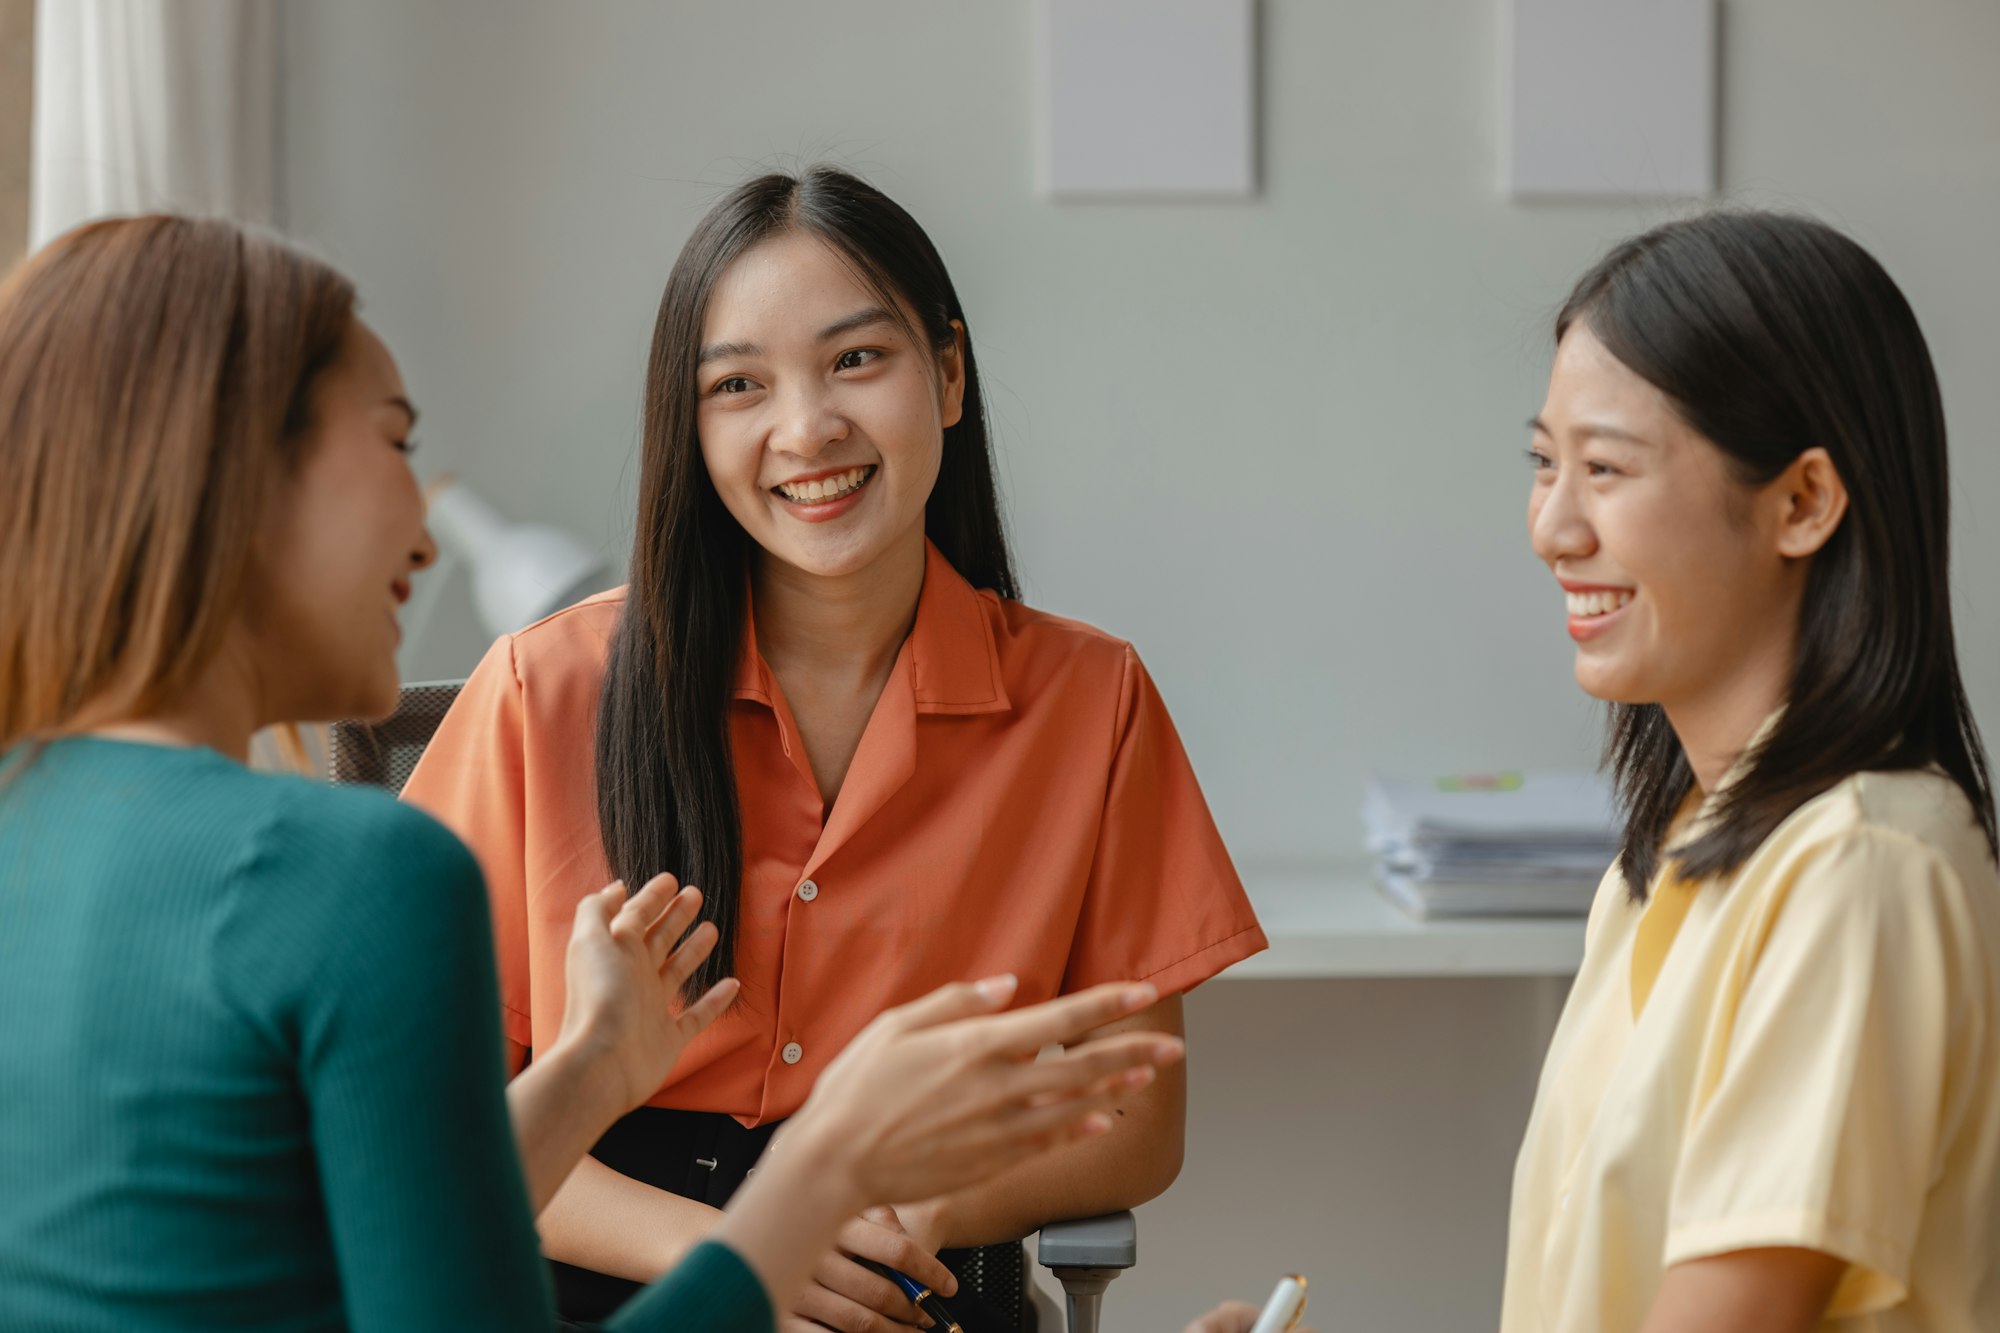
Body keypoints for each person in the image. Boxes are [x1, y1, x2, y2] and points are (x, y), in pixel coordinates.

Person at [0, 213, 1186, 1332]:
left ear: (949, 376)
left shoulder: (40, 825)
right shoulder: (368, 867)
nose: (429, 531)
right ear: (233, 489)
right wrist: (818, 1180)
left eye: (858, 360)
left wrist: (586, 1075)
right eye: (396, 441)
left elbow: (368, 1214)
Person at [402, 165, 1268, 1329]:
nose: (805, 427)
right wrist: (746, 1252)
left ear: (948, 375)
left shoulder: (1089, 698)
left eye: (857, 359)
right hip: (605, 1284)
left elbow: (1132, 1117)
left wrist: (916, 1203)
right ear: (691, 428)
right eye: (739, 385)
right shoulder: (540, 690)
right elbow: (430, 1126)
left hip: (908, 1280)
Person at [1501, 211, 2000, 1332]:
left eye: (1604, 468)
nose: (1551, 526)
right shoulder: (1674, 853)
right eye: (1542, 464)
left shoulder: (1865, 862)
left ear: (1801, 503)